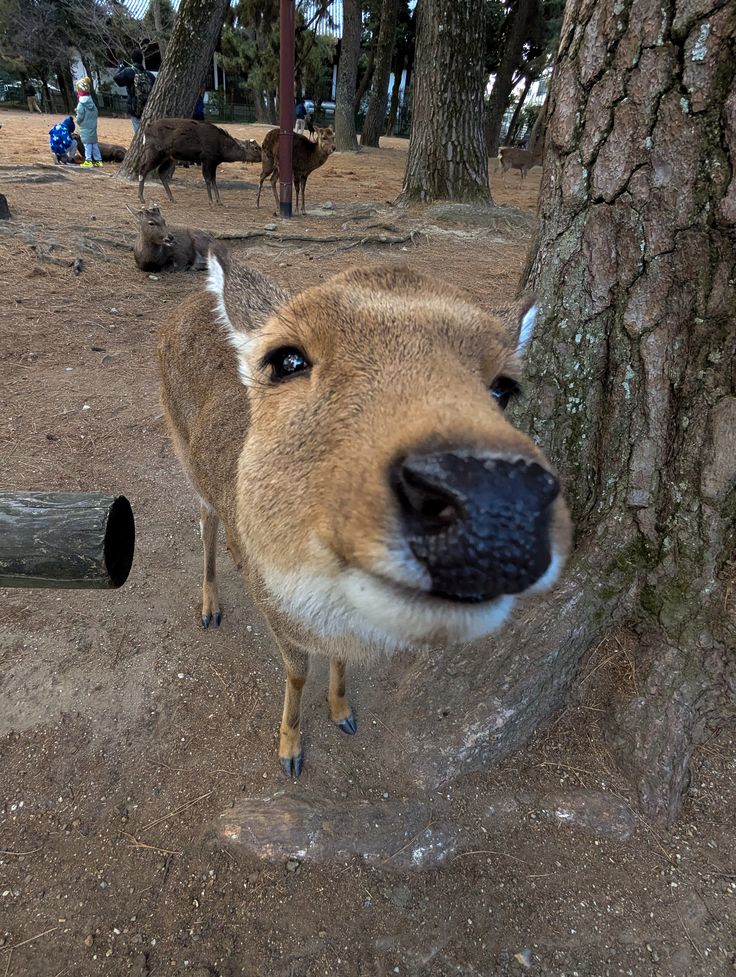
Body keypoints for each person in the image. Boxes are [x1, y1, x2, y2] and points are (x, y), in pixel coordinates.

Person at [113, 50, 155, 134]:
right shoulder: (149, 75)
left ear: (132, 60)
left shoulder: (128, 72)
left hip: (134, 107)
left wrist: (122, 67)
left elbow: (116, 78)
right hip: (148, 107)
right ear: (142, 60)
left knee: (138, 132)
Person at [75, 77, 102, 168]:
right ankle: (98, 160)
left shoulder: (81, 104)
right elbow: (95, 112)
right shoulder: (91, 102)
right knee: (94, 143)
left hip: (85, 127)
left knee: (87, 144)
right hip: (92, 126)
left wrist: (77, 120)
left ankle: (88, 160)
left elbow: (80, 117)